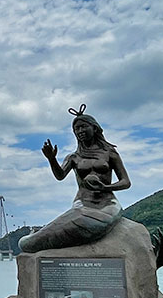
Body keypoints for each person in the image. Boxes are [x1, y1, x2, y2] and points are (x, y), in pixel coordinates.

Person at [18, 104, 130, 253]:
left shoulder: (109, 153)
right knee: (77, 217)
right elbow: (60, 175)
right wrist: (52, 159)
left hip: (107, 202)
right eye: (76, 129)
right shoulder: (73, 157)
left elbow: (125, 182)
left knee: (97, 222)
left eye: (83, 127)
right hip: (82, 202)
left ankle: (33, 241)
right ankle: (32, 240)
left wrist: (106, 188)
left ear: (94, 128)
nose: (80, 131)